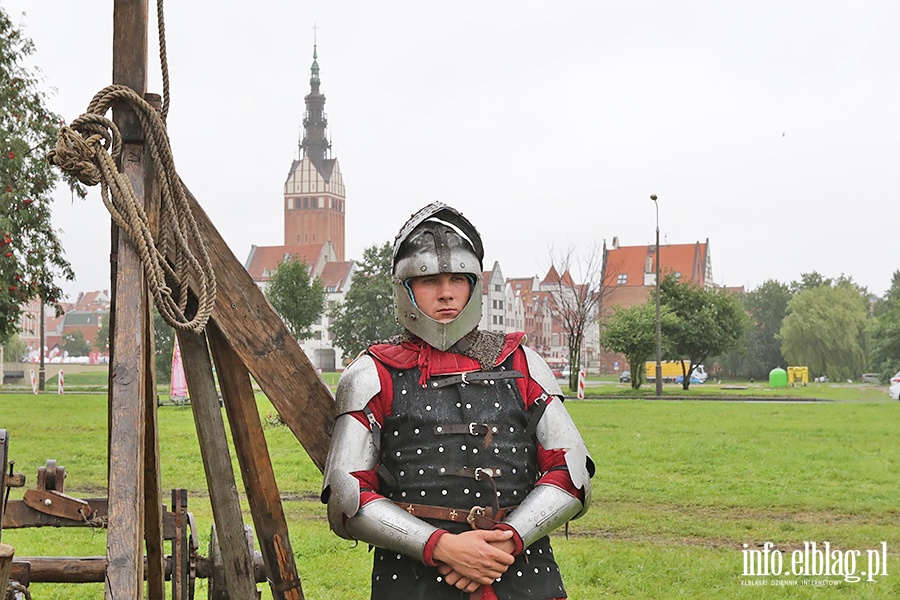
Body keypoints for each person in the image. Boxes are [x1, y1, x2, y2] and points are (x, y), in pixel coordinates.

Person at [321, 202, 594, 600]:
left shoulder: (521, 362)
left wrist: (510, 538)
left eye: (457, 279)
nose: (446, 293)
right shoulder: (373, 373)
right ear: (405, 289)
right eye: (430, 280)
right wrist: (440, 546)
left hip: (522, 573)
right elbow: (346, 496)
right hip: (414, 579)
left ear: (474, 284)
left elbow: (574, 473)